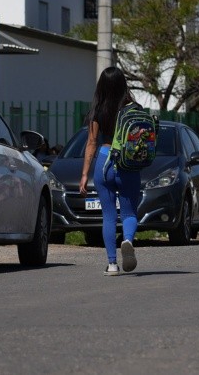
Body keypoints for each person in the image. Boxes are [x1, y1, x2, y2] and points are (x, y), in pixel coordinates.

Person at [79, 67, 141, 276]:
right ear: (123, 83)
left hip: (104, 160)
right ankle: (128, 240)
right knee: (129, 212)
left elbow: (91, 143)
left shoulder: (98, 110)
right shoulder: (134, 108)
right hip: (127, 163)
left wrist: (85, 174)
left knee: (108, 216)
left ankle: (112, 264)